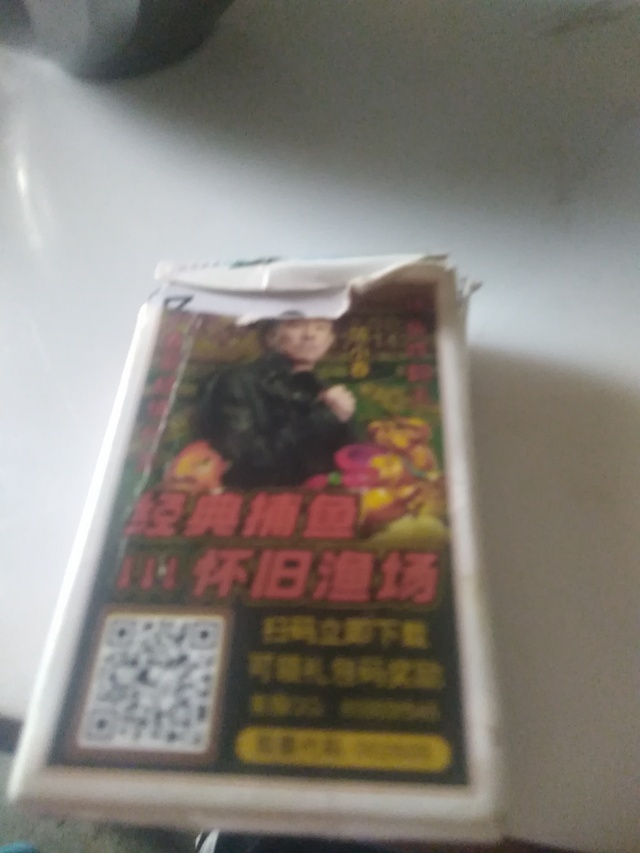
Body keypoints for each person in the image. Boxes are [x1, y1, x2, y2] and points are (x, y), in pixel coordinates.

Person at [197, 315, 357, 489]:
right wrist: (325, 418)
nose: (310, 335)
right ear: (271, 335)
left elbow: (347, 462)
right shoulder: (238, 381)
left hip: (312, 499)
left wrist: (341, 420)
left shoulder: (324, 390)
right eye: (296, 324)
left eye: (320, 327)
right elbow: (246, 462)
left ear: (330, 340)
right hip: (252, 499)